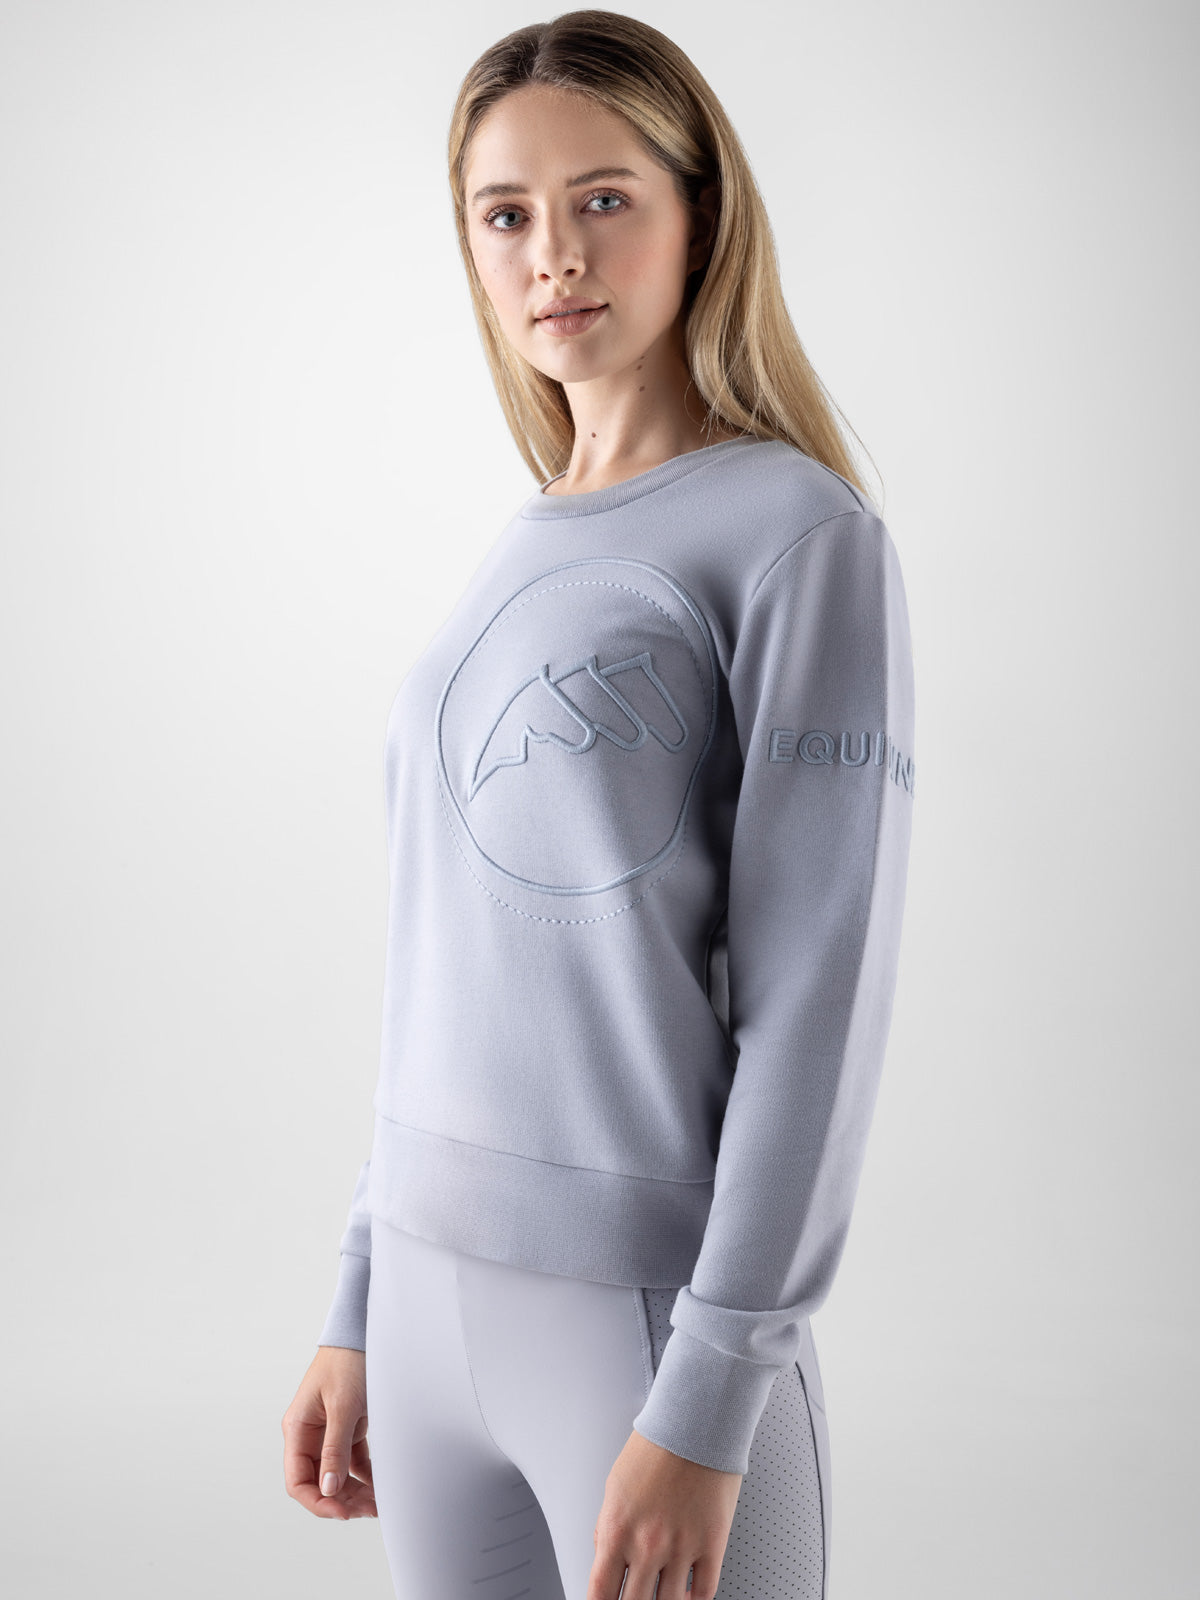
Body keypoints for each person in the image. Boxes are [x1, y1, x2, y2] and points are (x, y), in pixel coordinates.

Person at [280, 10, 917, 1599]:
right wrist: (359, 1295)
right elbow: (446, 965)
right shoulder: (521, 542)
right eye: (505, 214)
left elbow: (818, 1006)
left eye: (603, 199)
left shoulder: (798, 535)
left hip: (641, 1330)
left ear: (703, 212)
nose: (552, 254)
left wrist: (712, 1390)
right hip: (423, 1312)